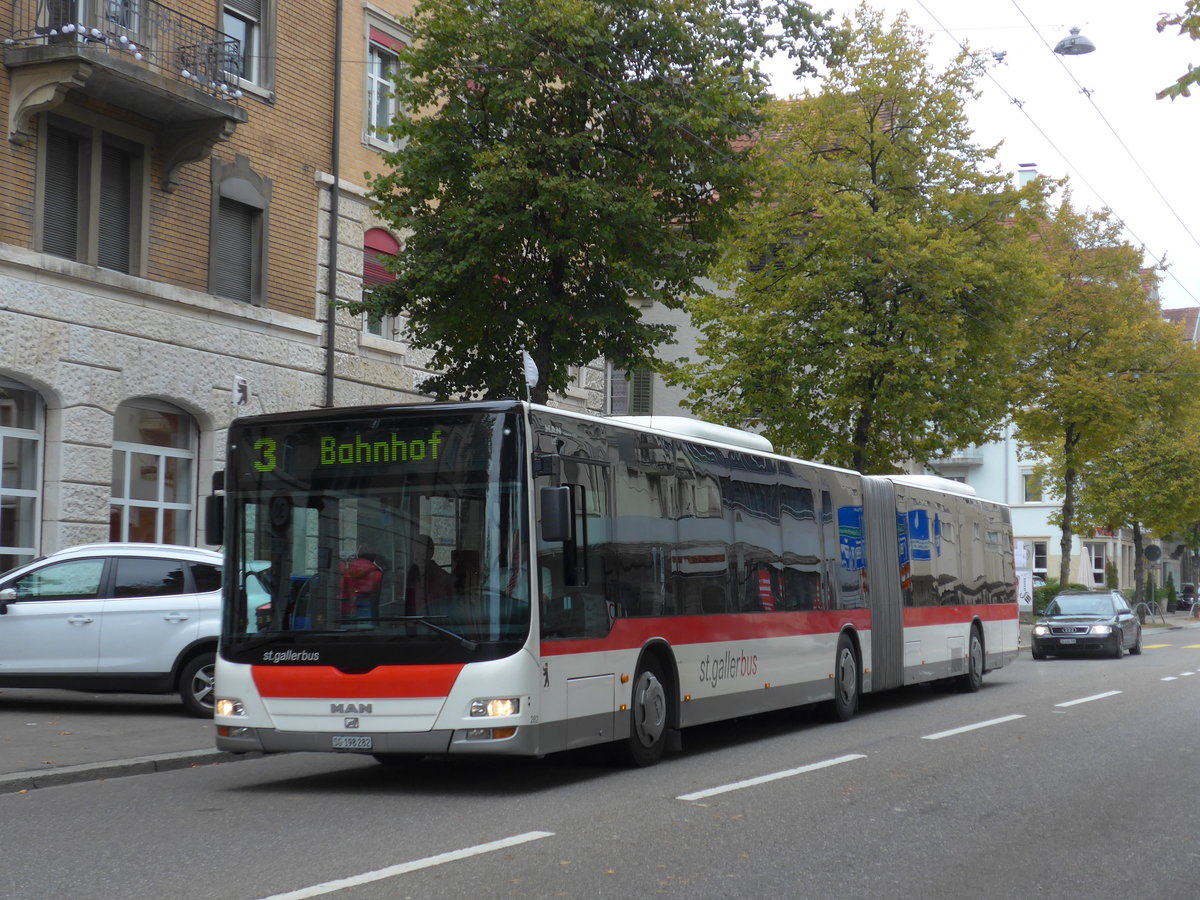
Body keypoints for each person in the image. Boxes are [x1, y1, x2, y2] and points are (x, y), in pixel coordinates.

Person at [405, 533, 453, 615]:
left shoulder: (441, 579)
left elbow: (442, 611)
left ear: (430, 555)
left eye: (423, 556)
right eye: (417, 556)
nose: (419, 560)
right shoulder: (409, 576)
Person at [339, 544, 385, 618]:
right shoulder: (378, 573)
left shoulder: (344, 570)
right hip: (368, 611)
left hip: (344, 610)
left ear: (358, 554)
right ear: (374, 557)